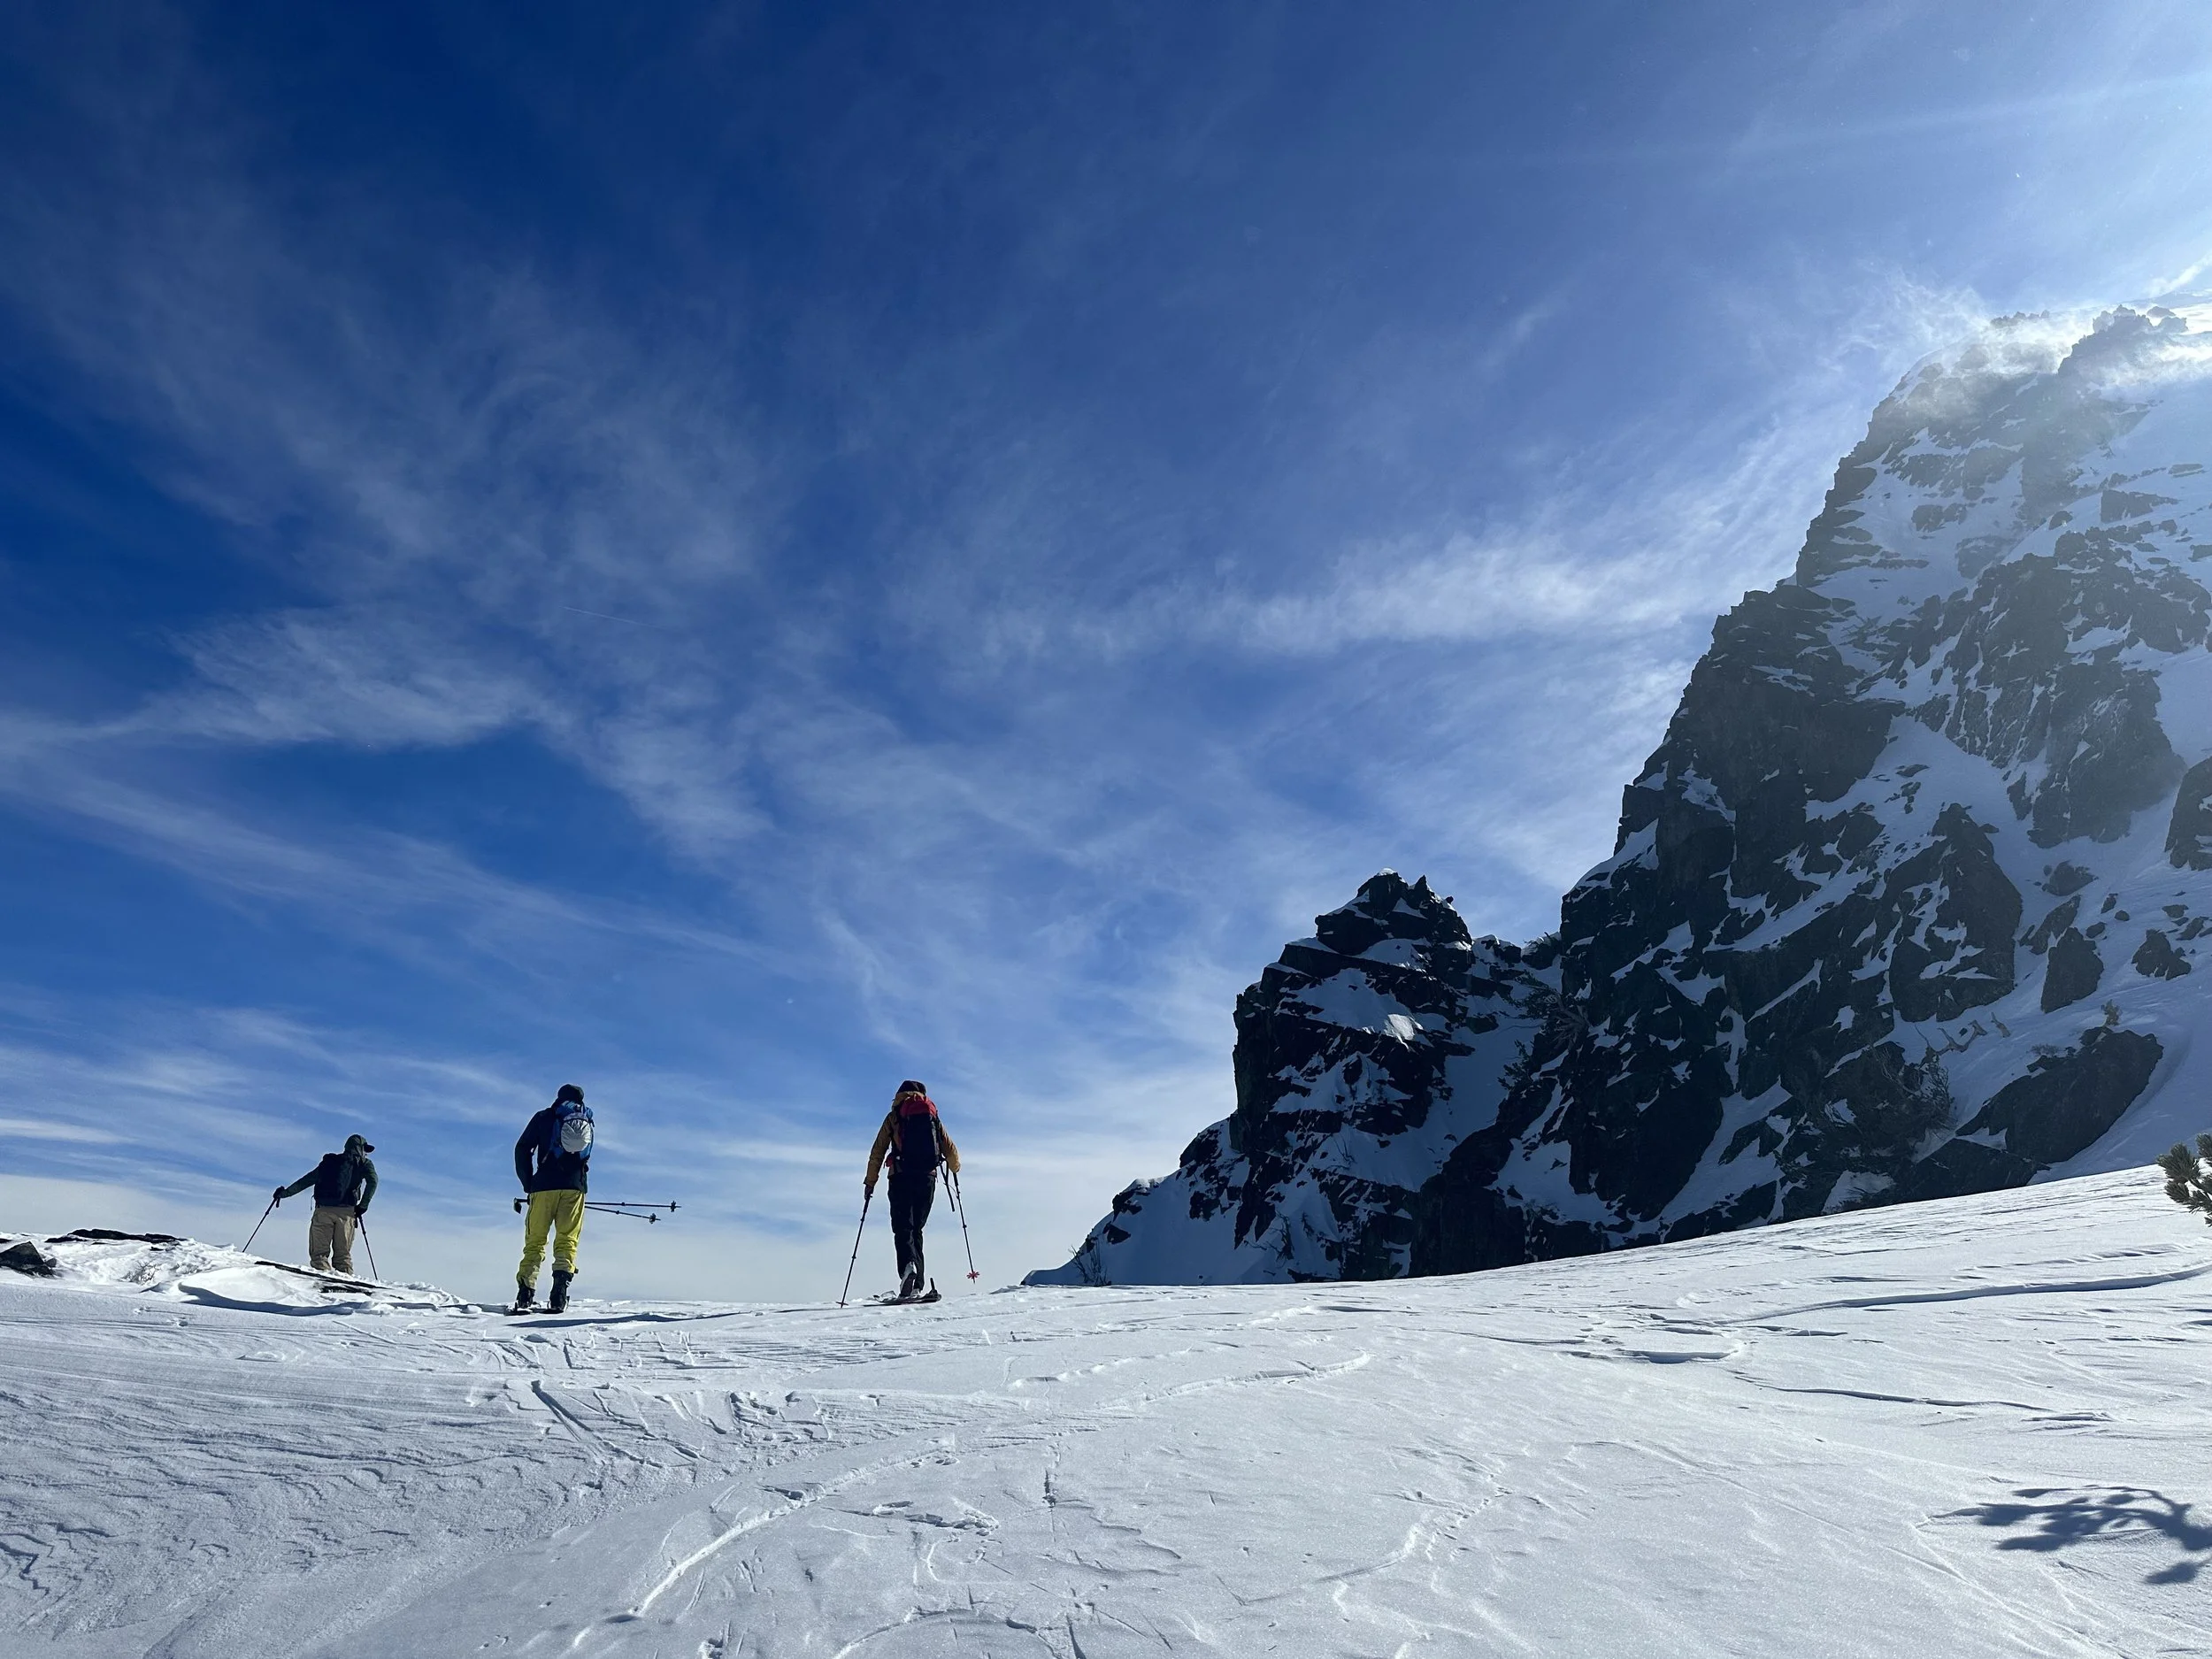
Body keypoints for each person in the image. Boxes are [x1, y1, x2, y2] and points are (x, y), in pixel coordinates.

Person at [864, 1079, 960, 1300]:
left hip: (900, 1176)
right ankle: (917, 1285)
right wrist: (955, 1169)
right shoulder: (932, 1116)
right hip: (927, 1178)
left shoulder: (895, 1116)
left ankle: (908, 1268)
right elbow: (951, 1150)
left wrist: (870, 1182)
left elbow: (878, 1151)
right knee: (917, 1229)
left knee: (902, 1227)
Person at [512, 1084, 593, 1313]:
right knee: (567, 1240)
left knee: (536, 1240)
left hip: (543, 1187)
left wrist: (529, 1183)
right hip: (575, 1189)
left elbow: (522, 1148)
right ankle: (559, 1294)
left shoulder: (544, 1117)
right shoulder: (587, 1120)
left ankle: (525, 1293)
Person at [273, 1133, 378, 1278]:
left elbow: (306, 1181)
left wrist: (284, 1194)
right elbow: (373, 1182)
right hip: (346, 1214)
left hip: (323, 1211)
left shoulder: (329, 1163)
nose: (365, 1153)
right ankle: (346, 1285)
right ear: (359, 1149)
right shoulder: (364, 1164)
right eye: (364, 1149)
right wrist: (363, 1206)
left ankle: (322, 1283)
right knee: (343, 1256)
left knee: (319, 1255)